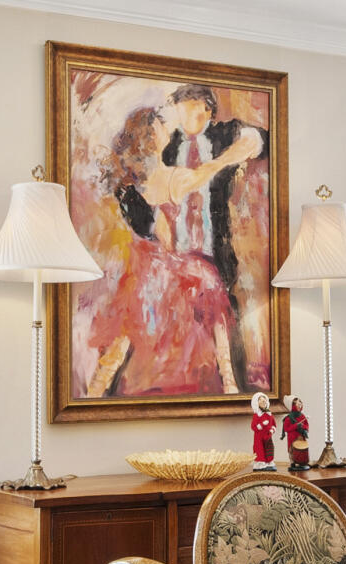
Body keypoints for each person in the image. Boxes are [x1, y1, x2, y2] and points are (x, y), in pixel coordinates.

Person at [77, 105, 239, 402]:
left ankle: (95, 391)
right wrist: (238, 151)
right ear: (152, 135)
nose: (168, 129)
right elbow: (207, 172)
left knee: (123, 334)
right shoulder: (169, 177)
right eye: (162, 125)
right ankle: (229, 382)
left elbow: (149, 230)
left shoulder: (128, 181)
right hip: (161, 267)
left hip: (141, 266)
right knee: (210, 283)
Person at [159, 84, 268, 386]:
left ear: (207, 109)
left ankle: (235, 389)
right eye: (180, 107)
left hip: (214, 253)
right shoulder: (168, 149)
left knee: (225, 324)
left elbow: (260, 140)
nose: (185, 113)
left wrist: (210, 168)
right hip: (176, 256)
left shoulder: (225, 134)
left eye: (192, 105)